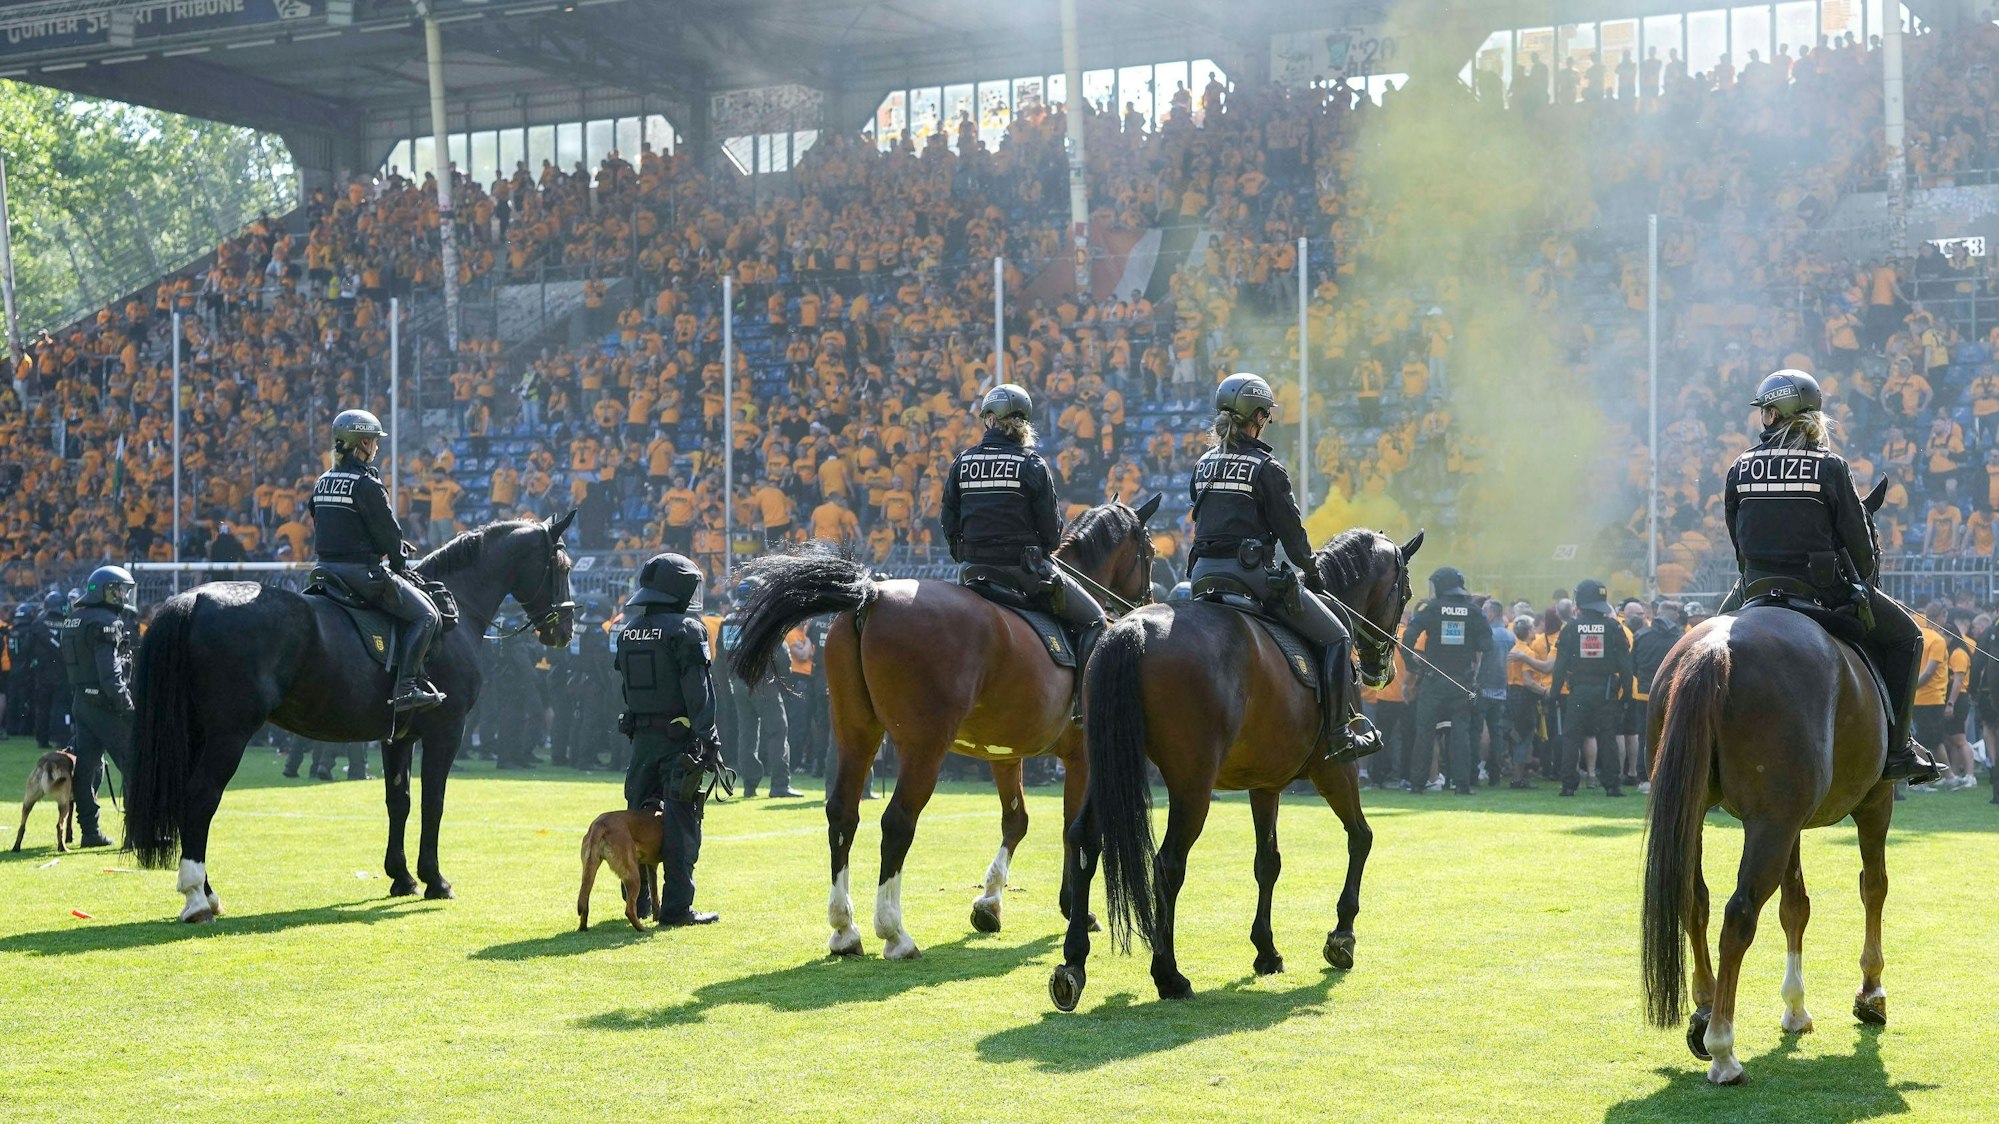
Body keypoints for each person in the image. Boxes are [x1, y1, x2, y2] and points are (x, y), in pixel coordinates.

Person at [1717, 369, 1945, 783]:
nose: (1762, 419)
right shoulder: (1831, 466)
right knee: (1907, 637)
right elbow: (1858, 545)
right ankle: (1898, 750)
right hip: (1819, 590)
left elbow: (1737, 539)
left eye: (1766, 411)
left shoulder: (1740, 466)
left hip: (1755, 587)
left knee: (1709, 642)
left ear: (1778, 414)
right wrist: (1861, 584)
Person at [1187, 372, 1374, 759]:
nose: (1266, 421)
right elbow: (1292, 534)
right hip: (1248, 576)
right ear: (1256, 416)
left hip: (1202, 576)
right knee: (1338, 636)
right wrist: (1315, 573)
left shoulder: (1203, 464)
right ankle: (1339, 734)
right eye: (1265, 415)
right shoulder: (1266, 467)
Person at [940, 382, 1106, 716]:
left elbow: (948, 520)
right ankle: (1082, 709)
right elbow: (1051, 535)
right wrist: (1040, 549)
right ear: (1023, 422)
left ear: (988, 420)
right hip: (1023, 573)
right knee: (1096, 622)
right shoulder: (1031, 464)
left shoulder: (962, 462)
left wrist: (965, 552)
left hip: (973, 571)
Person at [309, 409, 445, 712]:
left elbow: (326, 521)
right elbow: (388, 532)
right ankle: (406, 689)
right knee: (428, 617)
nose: (376, 447)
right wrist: (399, 562)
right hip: (360, 574)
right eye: (373, 441)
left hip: (323, 571)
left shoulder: (322, 481)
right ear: (361, 444)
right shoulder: (367, 484)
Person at [614, 551, 721, 926]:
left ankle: (638, 901)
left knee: (637, 820)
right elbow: (699, 693)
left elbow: (629, 690)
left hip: (641, 741)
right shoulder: (688, 630)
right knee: (681, 823)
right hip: (679, 742)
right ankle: (676, 908)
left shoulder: (628, 631)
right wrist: (707, 741)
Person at [57, 566, 136, 847]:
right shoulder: (106, 622)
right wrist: (127, 707)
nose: (123, 595)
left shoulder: (73, 619)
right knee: (133, 765)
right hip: (106, 707)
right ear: (102, 590)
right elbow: (109, 675)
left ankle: (89, 831)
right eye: (118, 589)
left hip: (82, 702)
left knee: (87, 766)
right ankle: (136, 834)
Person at [1402, 567, 1492, 794]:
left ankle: (1418, 784)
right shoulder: (1472, 612)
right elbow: (1486, 645)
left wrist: (1413, 665)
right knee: (1461, 733)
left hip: (1433, 680)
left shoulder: (1430, 608)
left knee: (1424, 732)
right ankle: (1462, 785)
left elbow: (1408, 637)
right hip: (1461, 681)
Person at [1551, 579, 1633, 797]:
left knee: (1572, 737)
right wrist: (1627, 694)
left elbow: (1560, 665)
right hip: (1606, 690)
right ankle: (1612, 785)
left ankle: (1568, 785)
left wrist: (1554, 693)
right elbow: (1625, 664)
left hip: (1578, 691)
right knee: (1607, 737)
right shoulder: (1614, 627)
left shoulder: (1570, 628)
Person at [27, 590, 68, 748]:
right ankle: (61, 737)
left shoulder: (38, 623)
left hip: (42, 671)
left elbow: (28, 647)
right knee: (61, 705)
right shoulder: (67, 622)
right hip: (61, 670)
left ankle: (41, 739)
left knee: (42, 706)